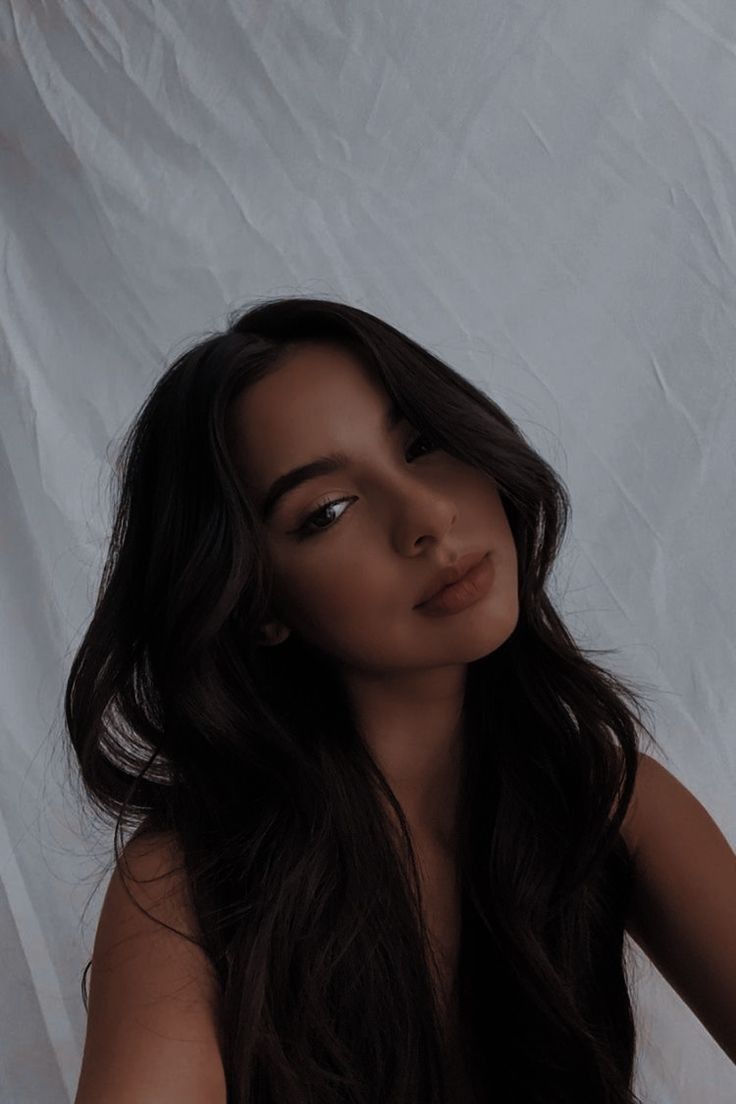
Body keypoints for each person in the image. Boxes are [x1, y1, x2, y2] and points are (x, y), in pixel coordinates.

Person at [67, 297, 736, 1104]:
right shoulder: (187, 885)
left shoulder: (601, 795)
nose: (427, 517)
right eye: (328, 512)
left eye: (422, 444)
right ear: (255, 603)